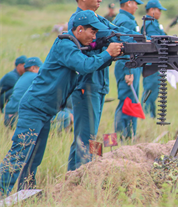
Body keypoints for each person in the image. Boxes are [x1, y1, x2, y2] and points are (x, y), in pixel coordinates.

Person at [0, 10, 122, 195]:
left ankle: (25, 193)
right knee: (19, 154)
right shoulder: (66, 45)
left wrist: (109, 55)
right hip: (34, 109)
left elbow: (89, 63)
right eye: (92, 32)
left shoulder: (75, 46)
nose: (94, 37)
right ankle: (2, 192)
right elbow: (85, 65)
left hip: (45, 111)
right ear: (79, 29)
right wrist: (107, 54)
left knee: (34, 157)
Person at [67, 0, 146, 171]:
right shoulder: (82, 20)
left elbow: (117, 31)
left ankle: (72, 177)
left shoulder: (95, 17)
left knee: (85, 134)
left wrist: (144, 40)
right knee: (87, 136)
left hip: (96, 82)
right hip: (88, 83)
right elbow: (114, 36)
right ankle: (81, 180)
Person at [113, 0, 144, 139]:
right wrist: (129, 70)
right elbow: (126, 47)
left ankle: (129, 135)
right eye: (135, 3)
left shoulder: (126, 18)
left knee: (130, 100)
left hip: (131, 65)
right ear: (128, 3)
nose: (137, 7)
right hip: (128, 65)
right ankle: (122, 136)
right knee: (126, 101)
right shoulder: (126, 21)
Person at [141, 0, 167, 118]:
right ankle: (146, 115)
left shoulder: (154, 23)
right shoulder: (150, 24)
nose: (160, 13)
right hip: (151, 63)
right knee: (150, 90)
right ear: (152, 10)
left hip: (156, 62)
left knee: (154, 90)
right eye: (158, 10)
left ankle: (150, 114)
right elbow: (153, 42)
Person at [3, 57, 42, 129]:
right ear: (33, 68)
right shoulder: (36, 77)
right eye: (40, 68)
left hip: (7, 116)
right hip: (20, 117)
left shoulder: (20, 78)